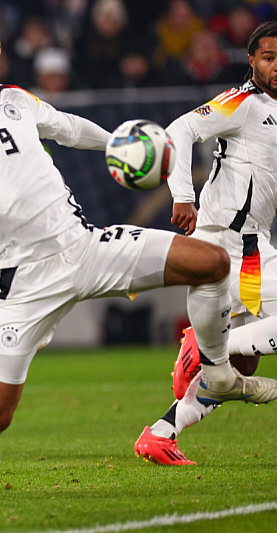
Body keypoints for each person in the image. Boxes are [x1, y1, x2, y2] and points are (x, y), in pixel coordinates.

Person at [0, 14, 277, 503]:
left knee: (210, 263)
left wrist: (118, 142)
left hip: (84, 247)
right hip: (23, 282)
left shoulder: (17, 98)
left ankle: (218, 373)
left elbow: (68, 127)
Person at [134, 20, 277, 465]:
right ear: (251, 60)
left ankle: (160, 433)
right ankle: (205, 346)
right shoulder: (243, 103)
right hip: (233, 247)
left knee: (239, 371)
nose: (276, 66)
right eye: (269, 58)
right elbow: (179, 129)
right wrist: (182, 195)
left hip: (250, 246)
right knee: (231, 357)